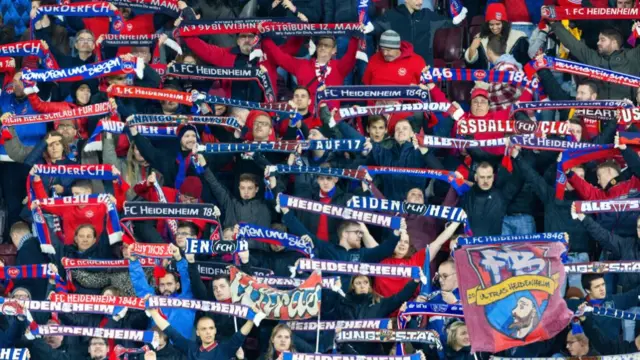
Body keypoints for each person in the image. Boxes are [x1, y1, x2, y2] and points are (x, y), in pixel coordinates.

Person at [548, 22, 640, 100]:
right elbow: (573, 44)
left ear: (614, 42)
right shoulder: (592, 57)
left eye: (602, 40)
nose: (598, 43)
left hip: (627, 113)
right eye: (598, 40)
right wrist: (554, 23)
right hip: (599, 114)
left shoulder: (631, 57)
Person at [127, 243, 196, 339]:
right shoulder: (153, 301)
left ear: (177, 285)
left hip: (182, 350)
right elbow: (140, 284)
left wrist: (179, 258)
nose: (165, 288)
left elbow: (186, 277)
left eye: (169, 284)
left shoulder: (187, 299)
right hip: (157, 350)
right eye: (162, 285)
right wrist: (133, 262)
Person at [147, 304, 261, 360]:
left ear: (215, 330)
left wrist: (251, 319)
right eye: (204, 329)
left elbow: (241, 335)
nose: (208, 332)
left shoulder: (224, 349)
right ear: (197, 333)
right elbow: (170, 331)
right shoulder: (191, 348)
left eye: (211, 328)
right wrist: (153, 313)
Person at [375, 0, 456, 64]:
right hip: (401, 67)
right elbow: (375, 27)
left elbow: (452, 22)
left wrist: (457, 17)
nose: (421, 2)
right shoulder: (392, 16)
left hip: (424, 66)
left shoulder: (428, 15)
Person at [465, 2, 529, 69]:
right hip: (486, 78)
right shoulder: (480, 38)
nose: (495, 28)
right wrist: (472, 49)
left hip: (512, 77)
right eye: (491, 25)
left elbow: (526, 62)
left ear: (504, 23)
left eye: (498, 24)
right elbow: (471, 65)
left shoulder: (519, 37)